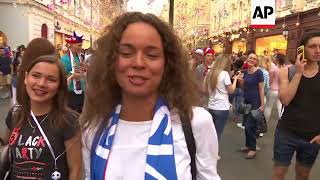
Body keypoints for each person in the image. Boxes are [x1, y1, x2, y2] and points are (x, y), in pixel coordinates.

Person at [81, 12, 221, 180]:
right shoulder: (94, 129)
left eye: (152, 55)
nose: (139, 63)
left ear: (167, 64)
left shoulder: (195, 123)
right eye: (126, 53)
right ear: (112, 61)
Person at [3, 50, 82, 179]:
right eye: (36, 76)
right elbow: (7, 147)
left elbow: (76, 169)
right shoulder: (15, 113)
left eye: (51, 79)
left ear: (59, 86)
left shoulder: (68, 120)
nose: (41, 84)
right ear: (26, 77)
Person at [272, 30, 320, 180]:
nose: (318, 50)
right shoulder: (286, 72)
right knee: (278, 174)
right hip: (286, 133)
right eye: (313, 46)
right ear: (302, 49)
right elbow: (285, 100)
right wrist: (299, 73)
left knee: (303, 175)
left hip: (312, 137)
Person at [204, 54, 240, 141]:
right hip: (222, 107)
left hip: (211, 106)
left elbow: (204, 90)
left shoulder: (210, 73)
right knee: (217, 134)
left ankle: (209, 152)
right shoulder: (224, 74)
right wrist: (235, 79)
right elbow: (231, 90)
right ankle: (214, 153)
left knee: (211, 133)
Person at [238, 51, 264, 159]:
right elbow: (244, 87)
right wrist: (240, 80)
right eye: (250, 58)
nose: (252, 60)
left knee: (250, 126)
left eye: (254, 59)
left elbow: (261, 88)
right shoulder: (245, 72)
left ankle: (253, 148)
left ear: (256, 61)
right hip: (246, 101)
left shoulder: (259, 72)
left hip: (255, 102)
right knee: (246, 124)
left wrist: (262, 104)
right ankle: (248, 145)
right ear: (247, 59)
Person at [61, 32, 86, 113]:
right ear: (71, 45)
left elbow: (82, 73)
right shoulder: (64, 59)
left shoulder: (79, 57)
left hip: (81, 91)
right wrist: (72, 76)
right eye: (79, 45)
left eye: (81, 45)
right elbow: (61, 78)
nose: (81, 48)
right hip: (70, 93)